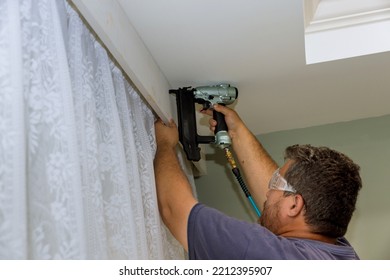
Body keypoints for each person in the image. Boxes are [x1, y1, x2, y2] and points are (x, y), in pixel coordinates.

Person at [153, 104, 362, 259]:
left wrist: (164, 143)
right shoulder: (339, 253)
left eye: (274, 185)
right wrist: (236, 131)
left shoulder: (265, 254)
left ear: (295, 204)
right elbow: (280, 208)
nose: (268, 192)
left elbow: (175, 210)